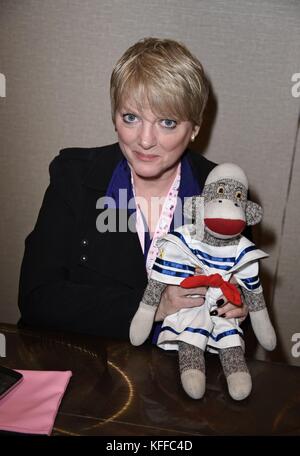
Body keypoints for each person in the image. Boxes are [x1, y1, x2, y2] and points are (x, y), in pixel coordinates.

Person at [18, 37, 247, 340]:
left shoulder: (224, 191)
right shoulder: (73, 176)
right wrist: (153, 306)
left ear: (194, 128)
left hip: (177, 375)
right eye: (131, 118)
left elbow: (242, 328)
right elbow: (37, 299)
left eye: (167, 122)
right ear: (114, 117)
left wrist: (236, 310)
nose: (145, 140)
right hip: (85, 368)